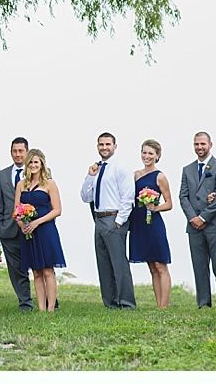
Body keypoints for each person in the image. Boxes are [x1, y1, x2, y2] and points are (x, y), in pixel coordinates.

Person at [79, 132, 136, 309]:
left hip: (114, 218)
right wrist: (89, 176)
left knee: (119, 263)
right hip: (99, 219)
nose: (104, 148)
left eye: (107, 144)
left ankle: (126, 303)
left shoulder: (120, 167)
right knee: (103, 263)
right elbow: (85, 197)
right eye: (101, 145)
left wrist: (120, 221)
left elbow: (128, 197)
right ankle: (110, 303)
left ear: (114, 146)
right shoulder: (96, 169)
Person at [178, 131, 216, 309]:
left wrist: (203, 217)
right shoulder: (187, 169)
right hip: (194, 227)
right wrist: (193, 217)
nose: (199, 147)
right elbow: (183, 196)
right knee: (199, 267)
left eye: (202, 144)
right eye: (196, 144)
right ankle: (203, 303)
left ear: (210, 144)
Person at [14, 149, 66, 312]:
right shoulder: (21, 184)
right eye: (31, 162)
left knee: (48, 270)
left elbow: (57, 210)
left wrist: (37, 222)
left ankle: (51, 308)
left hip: (45, 230)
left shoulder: (49, 184)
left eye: (36, 162)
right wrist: (22, 224)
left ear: (42, 163)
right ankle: (41, 309)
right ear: (26, 164)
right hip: (28, 231)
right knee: (36, 272)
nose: (33, 165)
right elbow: (16, 210)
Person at [128, 139, 172, 309]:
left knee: (160, 264)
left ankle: (163, 306)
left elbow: (169, 203)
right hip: (138, 223)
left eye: (150, 154)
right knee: (151, 266)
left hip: (154, 224)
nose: (147, 156)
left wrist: (155, 208)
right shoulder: (135, 174)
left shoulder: (160, 176)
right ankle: (157, 303)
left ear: (157, 156)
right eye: (144, 152)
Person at [0, 137, 34, 312]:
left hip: (32, 227)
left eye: (21, 151)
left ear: (27, 152)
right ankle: (25, 302)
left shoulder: (37, 171)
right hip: (8, 229)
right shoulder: (2, 175)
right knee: (16, 269)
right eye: (14, 151)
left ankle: (49, 301)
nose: (17, 154)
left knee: (39, 265)